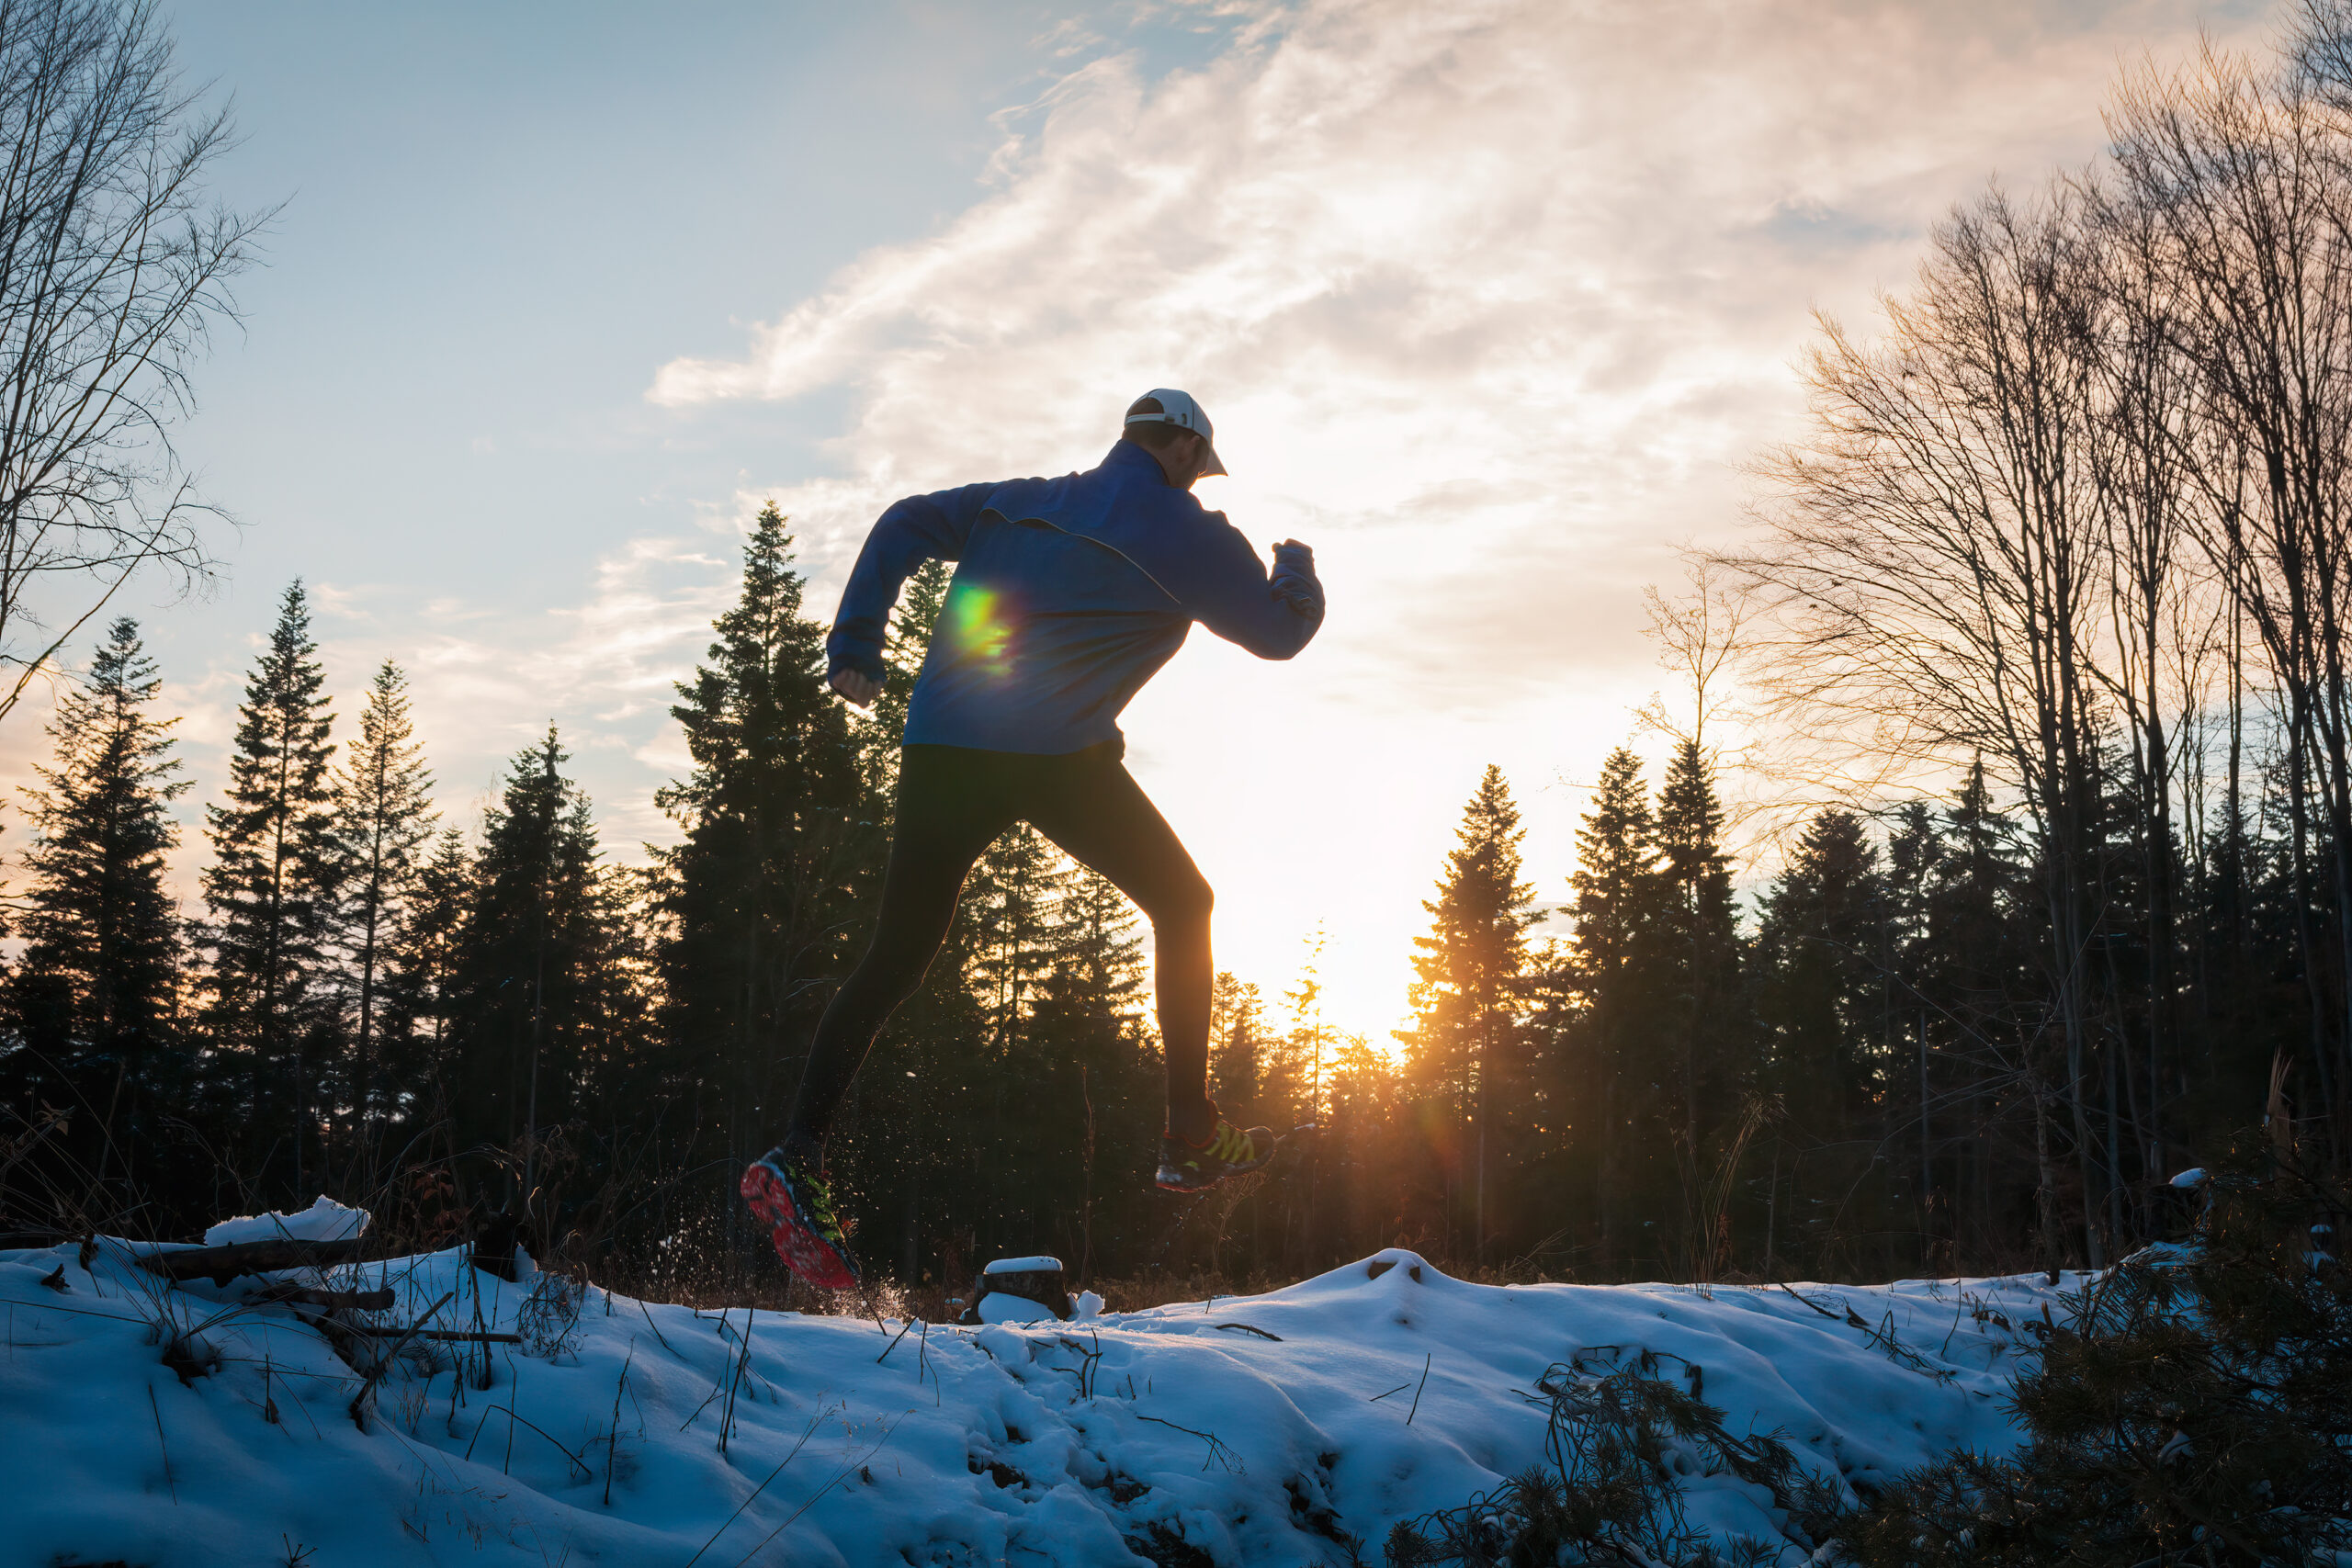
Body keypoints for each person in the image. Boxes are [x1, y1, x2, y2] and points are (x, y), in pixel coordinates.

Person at [740, 389, 1326, 1287]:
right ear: (1181, 452)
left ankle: (797, 1150)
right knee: (1185, 903)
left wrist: (857, 640)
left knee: (895, 955)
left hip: (945, 743)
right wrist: (1294, 565)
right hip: (1055, 758)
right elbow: (1279, 633)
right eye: (1197, 466)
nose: (1196, 480)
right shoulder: (1187, 531)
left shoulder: (1021, 499)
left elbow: (900, 522)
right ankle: (1188, 1134)